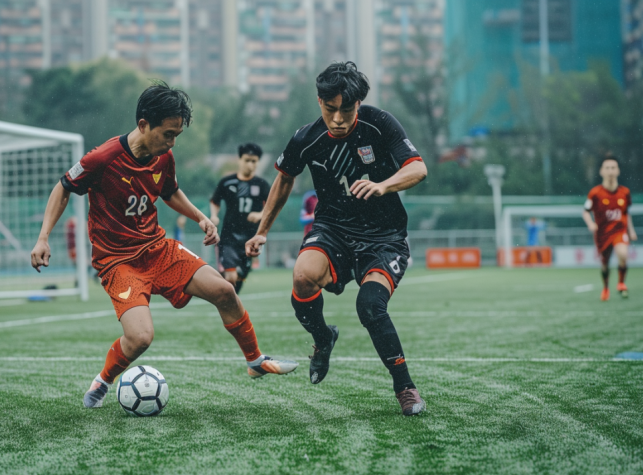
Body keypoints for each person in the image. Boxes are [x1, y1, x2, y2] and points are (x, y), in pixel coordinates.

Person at [30, 82, 297, 409]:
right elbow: (63, 187)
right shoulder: (103, 158)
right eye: (168, 134)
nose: (172, 143)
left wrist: (201, 217)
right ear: (144, 125)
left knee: (224, 290)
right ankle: (103, 380)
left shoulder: (163, 157)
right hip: (118, 261)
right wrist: (43, 237)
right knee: (140, 338)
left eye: (176, 135)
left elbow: (169, 192)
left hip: (157, 249)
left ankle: (255, 361)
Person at [245, 61, 429, 416]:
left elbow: (418, 167)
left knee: (370, 306)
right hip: (333, 231)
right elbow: (284, 178)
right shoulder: (306, 138)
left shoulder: (380, 123)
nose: (339, 119)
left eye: (347, 110)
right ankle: (323, 339)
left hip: (384, 237)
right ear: (320, 102)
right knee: (302, 277)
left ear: (359, 103)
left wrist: (383, 185)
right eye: (331, 109)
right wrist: (262, 231)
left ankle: (405, 387)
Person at [209, 142, 270, 294]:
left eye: (254, 161)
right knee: (231, 277)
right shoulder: (227, 182)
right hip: (229, 238)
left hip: (250, 240)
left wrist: (260, 214)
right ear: (240, 160)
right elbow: (215, 201)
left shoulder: (262, 185)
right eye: (247, 160)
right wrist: (214, 216)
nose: (250, 164)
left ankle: (229, 300)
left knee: (239, 282)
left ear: (258, 162)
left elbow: (272, 206)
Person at [582, 154, 637, 301]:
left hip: (619, 230)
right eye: (607, 168)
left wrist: (631, 230)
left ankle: (621, 283)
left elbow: (627, 213)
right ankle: (606, 288)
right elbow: (585, 211)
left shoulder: (625, 192)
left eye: (613, 168)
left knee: (623, 255)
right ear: (601, 171)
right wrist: (591, 224)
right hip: (602, 233)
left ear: (618, 171)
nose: (610, 171)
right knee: (605, 264)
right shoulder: (595, 193)